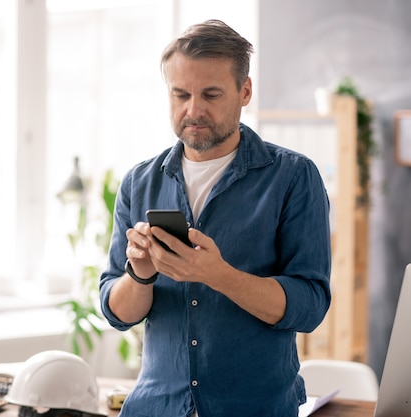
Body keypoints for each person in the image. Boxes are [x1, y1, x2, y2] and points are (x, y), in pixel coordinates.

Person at [99, 19, 331, 417]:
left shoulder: (293, 177)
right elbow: (117, 313)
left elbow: (310, 306)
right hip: (155, 408)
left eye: (210, 94)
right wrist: (139, 274)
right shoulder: (139, 182)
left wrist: (217, 274)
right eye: (180, 94)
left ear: (245, 91)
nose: (194, 110)